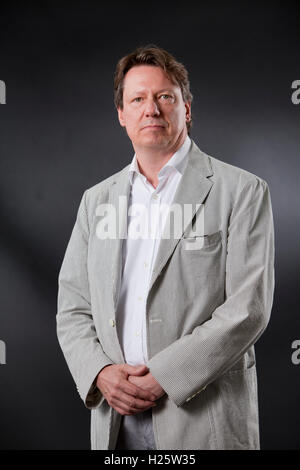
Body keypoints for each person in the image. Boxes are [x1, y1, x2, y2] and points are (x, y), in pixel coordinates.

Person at [56, 44, 275, 450]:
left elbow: (248, 309)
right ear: (122, 115)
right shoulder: (96, 201)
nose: (151, 109)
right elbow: (72, 307)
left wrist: (164, 377)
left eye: (164, 97)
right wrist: (100, 372)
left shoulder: (242, 192)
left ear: (186, 109)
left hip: (203, 421)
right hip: (115, 423)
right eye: (137, 99)